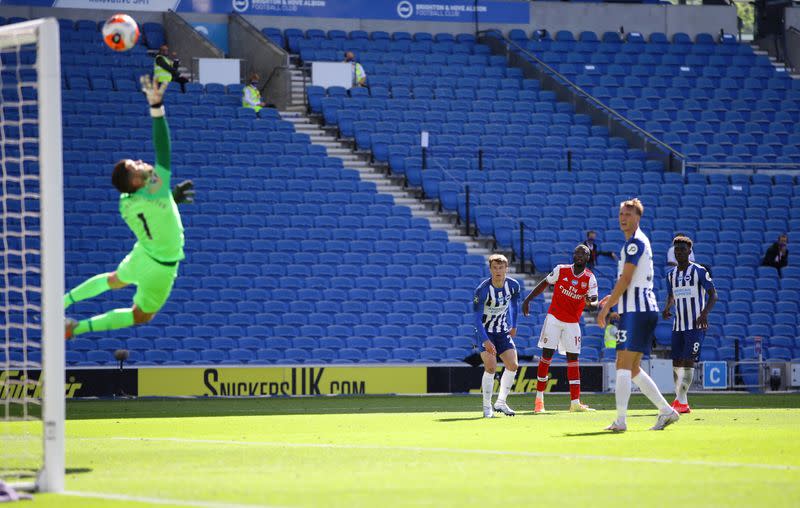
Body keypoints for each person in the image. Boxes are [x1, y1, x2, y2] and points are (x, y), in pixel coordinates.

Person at [65, 76, 193, 339]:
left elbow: (154, 209)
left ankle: (63, 302)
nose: (139, 161)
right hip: (162, 265)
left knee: (113, 280)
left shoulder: (126, 202)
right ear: (136, 181)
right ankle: (76, 329)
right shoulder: (155, 188)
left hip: (142, 254)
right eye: (135, 165)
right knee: (141, 316)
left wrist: (171, 199)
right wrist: (156, 107)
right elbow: (163, 150)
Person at [596, 198, 680, 432]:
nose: (624, 218)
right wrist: (612, 299)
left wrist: (606, 308)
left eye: (629, 214)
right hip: (639, 308)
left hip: (637, 310)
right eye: (621, 214)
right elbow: (631, 282)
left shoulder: (634, 244)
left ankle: (621, 421)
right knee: (631, 367)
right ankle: (666, 411)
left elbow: (626, 279)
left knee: (623, 364)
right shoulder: (636, 242)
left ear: (638, 217)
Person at [522, 244, 598, 413]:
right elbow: (544, 283)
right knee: (546, 356)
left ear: (588, 258)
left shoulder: (590, 278)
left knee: (573, 360)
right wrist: (528, 299)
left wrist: (589, 303)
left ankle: (575, 403)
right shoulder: (561, 270)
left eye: (583, 254)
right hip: (554, 319)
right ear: (573, 256)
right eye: (577, 253)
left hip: (572, 323)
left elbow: (594, 303)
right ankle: (539, 401)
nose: (579, 256)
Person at [662, 235, 717, 414]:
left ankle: (682, 401)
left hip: (695, 325)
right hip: (678, 325)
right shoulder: (671, 275)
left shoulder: (699, 271)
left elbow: (713, 295)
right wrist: (667, 308)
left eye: (682, 250)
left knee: (688, 361)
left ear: (689, 251)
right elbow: (672, 295)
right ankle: (680, 398)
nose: (679, 253)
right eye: (676, 250)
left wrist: (704, 314)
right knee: (677, 362)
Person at [472, 254, 521, 418]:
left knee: (513, 365)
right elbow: (477, 319)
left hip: (501, 330)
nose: (498, 271)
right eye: (495, 267)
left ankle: (500, 402)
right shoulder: (483, 290)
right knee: (491, 367)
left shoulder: (513, 285)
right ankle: (487, 408)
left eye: (501, 267)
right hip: (485, 331)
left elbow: (514, 305)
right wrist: (485, 340)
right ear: (490, 269)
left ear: (506, 269)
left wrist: (513, 325)